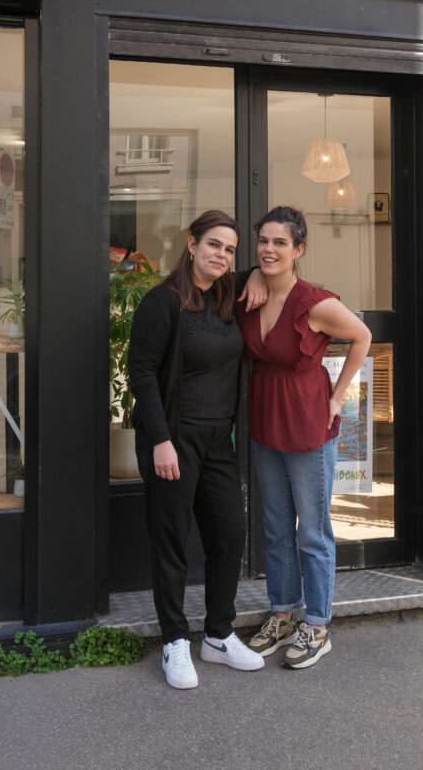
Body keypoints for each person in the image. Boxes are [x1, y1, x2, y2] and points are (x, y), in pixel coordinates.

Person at [128, 210, 267, 689]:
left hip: (217, 440)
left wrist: (257, 275)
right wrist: (160, 441)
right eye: (213, 245)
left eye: (229, 250)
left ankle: (218, 635)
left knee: (230, 532)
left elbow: (264, 271)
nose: (221, 255)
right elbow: (142, 374)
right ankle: (173, 640)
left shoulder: (227, 297)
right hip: (174, 437)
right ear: (191, 245)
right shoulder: (163, 302)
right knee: (171, 539)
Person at [240, 205, 372, 669]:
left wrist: (338, 397)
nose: (269, 249)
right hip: (266, 423)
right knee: (276, 528)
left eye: (280, 242)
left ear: (299, 249)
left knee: (312, 533)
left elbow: (362, 336)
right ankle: (282, 615)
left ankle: (316, 625)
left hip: (307, 425)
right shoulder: (252, 292)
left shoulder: (314, 303)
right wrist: (254, 274)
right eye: (263, 241)